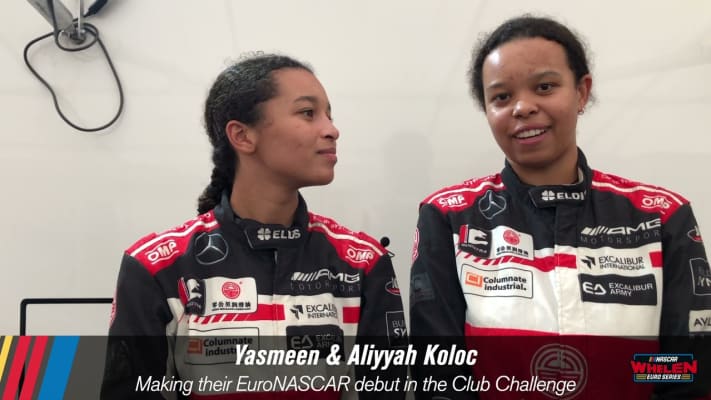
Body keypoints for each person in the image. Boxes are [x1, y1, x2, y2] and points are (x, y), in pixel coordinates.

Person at [409, 15, 711, 400]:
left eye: (545, 87)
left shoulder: (661, 216)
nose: (522, 107)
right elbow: (441, 376)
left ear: (582, 92)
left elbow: (684, 372)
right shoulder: (448, 216)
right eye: (501, 97)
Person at [101, 53, 407, 399]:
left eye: (329, 115)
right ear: (242, 136)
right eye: (308, 113)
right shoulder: (157, 266)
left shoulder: (362, 262)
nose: (331, 130)